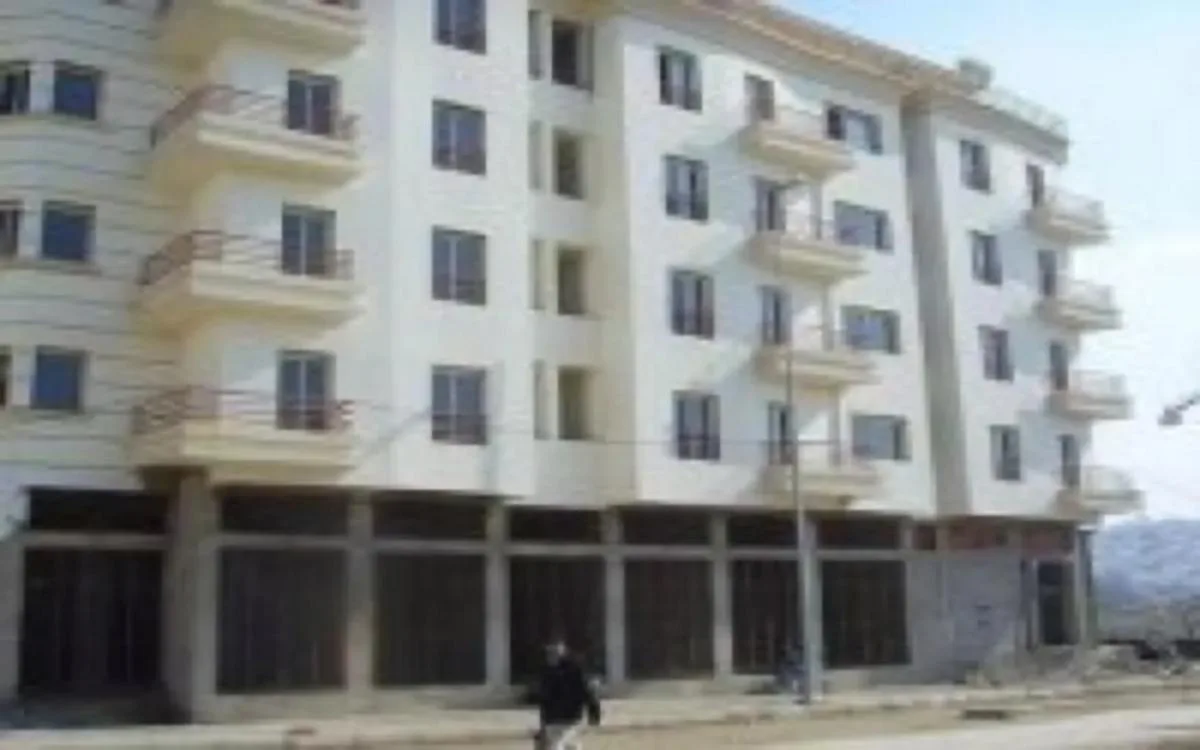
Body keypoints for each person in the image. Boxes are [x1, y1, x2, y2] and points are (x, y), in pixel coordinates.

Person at [534, 639, 601, 750]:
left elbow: (543, 699)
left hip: (561, 718)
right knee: (568, 744)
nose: (551, 657)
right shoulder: (576, 669)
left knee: (560, 744)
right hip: (567, 718)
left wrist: (594, 711)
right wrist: (594, 712)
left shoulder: (549, 672)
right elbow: (588, 691)